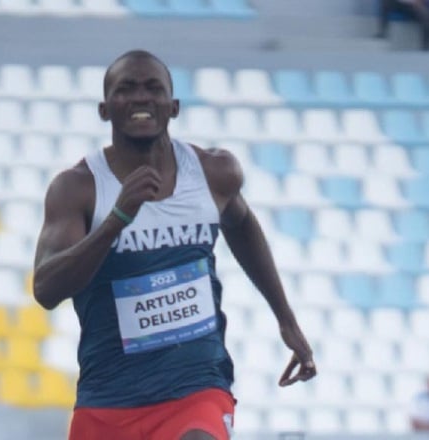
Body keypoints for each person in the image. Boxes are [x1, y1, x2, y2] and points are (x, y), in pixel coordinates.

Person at [32, 49, 317, 440]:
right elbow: (46, 289)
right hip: (109, 399)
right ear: (104, 109)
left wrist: (285, 318)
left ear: (174, 106)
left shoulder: (214, 173)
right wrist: (118, 218)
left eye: (153, 88)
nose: (141, 98)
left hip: (197, 385)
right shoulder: (78, 188)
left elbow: (243, 225)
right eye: (125, 89)